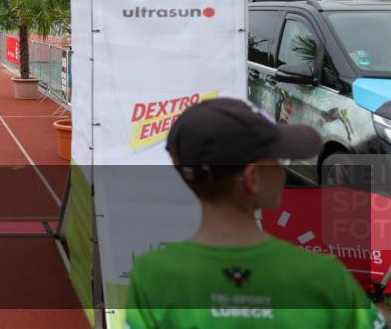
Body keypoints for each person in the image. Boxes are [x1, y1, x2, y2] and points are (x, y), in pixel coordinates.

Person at [125, 97, 385, 328]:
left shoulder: (152, 275)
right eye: (279, 160)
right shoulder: (323, 275)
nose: (283, 170)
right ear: (253, 178)